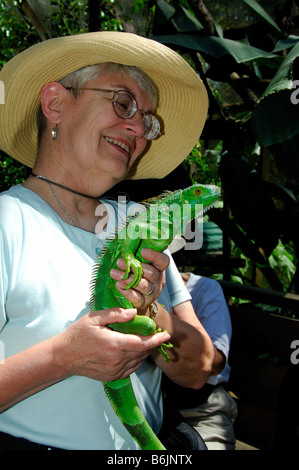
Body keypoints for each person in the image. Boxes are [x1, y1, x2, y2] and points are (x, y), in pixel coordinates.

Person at [0, 31, 218, 450]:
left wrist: (150, 313)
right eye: (122, 103)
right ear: (55, 104)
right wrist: (64, 356)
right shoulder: (10, 222)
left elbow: (198, 369)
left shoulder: (143, 226)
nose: (138, 129)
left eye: (148, 121)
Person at [162, 266, 237, 450]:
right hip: (158, 411)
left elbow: (214, 364)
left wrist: (156, 316)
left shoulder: (205, 289)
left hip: (201, 410)